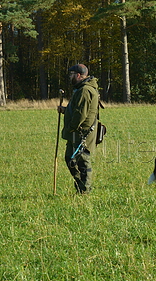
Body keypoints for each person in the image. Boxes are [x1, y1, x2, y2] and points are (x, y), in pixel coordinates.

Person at [57, 64, 99, 194]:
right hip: (75, 132)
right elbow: (76, 109)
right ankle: (80, 186)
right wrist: (65, 110)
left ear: (78, 75)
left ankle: (85, 190)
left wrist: (70, 128)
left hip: (81, 133)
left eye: (71, 75)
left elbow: (81, 114)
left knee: (82, 161)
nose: (70, 77)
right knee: (70, 158)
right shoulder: (80, 89)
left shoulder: (85, 90)